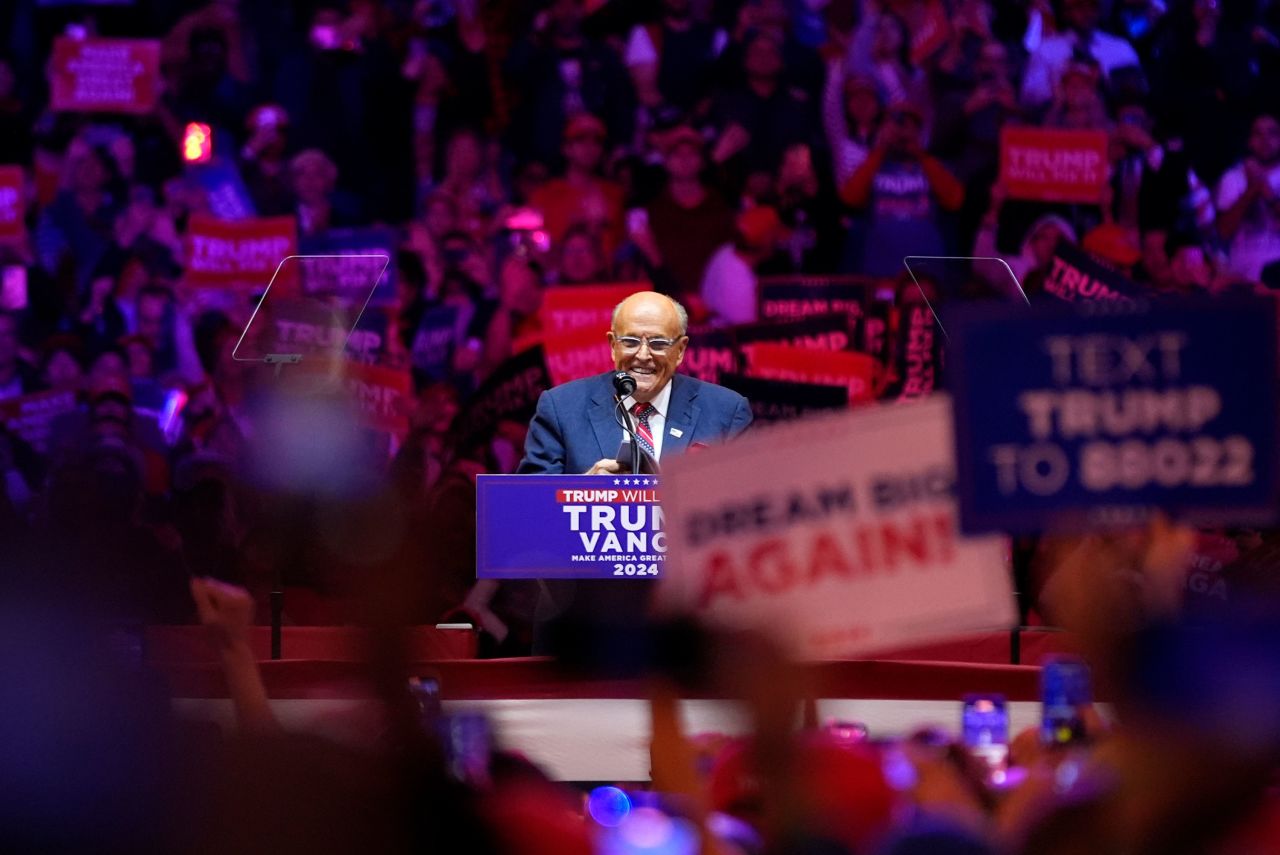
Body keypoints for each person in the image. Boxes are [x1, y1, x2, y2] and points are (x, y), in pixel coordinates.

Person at [518, 291, 751, 476]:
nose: (643, 355)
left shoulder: (726, 412)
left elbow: (748, 510)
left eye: (658, 343)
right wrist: (583, 491)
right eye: (630, 342)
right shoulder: (561, 408)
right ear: (612, 345)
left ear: (680, 350)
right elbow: (530, 509)